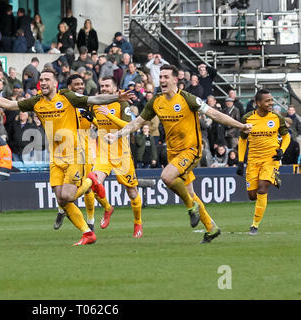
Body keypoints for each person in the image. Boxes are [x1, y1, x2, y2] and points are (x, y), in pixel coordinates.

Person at [0, 68, 134, 245]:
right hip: (56, 158)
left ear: (55, 83)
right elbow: (8, 104)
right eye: (42, 80)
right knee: (61, 199)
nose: (44, 82)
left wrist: (117, 97)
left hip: (74, 155)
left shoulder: (67, 97)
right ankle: (87, 233)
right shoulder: (36, 102)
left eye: (48, 79)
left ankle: (90, 182)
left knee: (68, 196)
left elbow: (94, 99)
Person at [104, 64, 253, 243]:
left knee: (167, 177)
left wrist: (241, 126)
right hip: (173, 153)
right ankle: (211, 228)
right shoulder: (156, 102)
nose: (162, 80)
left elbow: (214, 114)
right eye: (161, 77)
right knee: (189, 192)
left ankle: (191, 208)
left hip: (191, 150)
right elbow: (136, 123)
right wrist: (118, 134)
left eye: (166, 77)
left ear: (175, 79)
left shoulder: (187, 99)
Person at [89, 76, 143, 238]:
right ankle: (107, 208)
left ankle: (138, 223)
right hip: (103, 154)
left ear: (115, 88)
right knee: (93, 181)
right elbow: (96, 122)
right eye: (102, 86)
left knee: (132, 192)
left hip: (122, 154)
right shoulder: (96, 104)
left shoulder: (122, 103)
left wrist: (109, 115)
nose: (104, 88)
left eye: (107, 86)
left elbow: (129, 127)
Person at [53, 74, 103, 231]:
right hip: (64, 150)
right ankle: (62, 210)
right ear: (69, 87)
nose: (81, 86)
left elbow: (101, 125)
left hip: (85, 152)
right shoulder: (65, 103)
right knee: (60, 185)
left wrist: (93, 119)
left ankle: (91, 220)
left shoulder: (87, 104)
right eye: (77, 84)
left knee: (87, 188)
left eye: (82, 84)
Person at [236, 89, 290, 236]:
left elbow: (287, 137)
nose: (271, 103)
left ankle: (254, 226)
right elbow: (242, 139)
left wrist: (281, 151)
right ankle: (273, 179)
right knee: (252, 195)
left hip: (271, 159)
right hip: (253, 161)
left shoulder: (277, 118)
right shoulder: (247, 118)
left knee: (262, 188)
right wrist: (241, 162)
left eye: (272, 100)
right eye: (267, 101)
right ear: (258, 103)